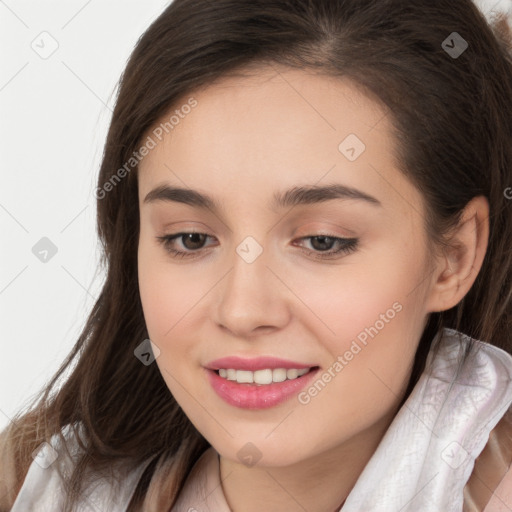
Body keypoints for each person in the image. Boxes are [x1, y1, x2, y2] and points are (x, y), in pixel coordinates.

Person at [2, 0, 512, 510]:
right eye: (191, 239)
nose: (242, 311)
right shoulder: (40, 487)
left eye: (322, 241)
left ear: (455, 256)